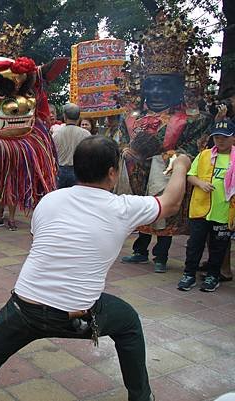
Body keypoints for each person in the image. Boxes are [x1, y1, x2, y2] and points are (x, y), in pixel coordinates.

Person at [0, 136, 191, 401]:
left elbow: (42, 241)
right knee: (128, 323)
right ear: (112, 173)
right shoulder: (123, 207)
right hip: (78, 315)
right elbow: (171, 202)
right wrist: (181, 164)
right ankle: (141, 397)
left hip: (23, 308)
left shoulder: (50, 201)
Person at [118, 13, 212, 274]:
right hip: (137, 174)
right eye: (153, 86)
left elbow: (198, 146)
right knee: (139, 210)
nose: (157, 92)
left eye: (164, 86)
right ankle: (139, 250)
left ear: (178, 87)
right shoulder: (130, 117)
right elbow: (120, 141)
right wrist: (125, 150)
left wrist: (175, 154)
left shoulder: (193, 120)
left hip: (165, 173)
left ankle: (161, 255)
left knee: (164, 211)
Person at [177, 120, 235, 292]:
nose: (220, 141)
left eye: (224, 137)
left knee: (219, 247)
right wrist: (200, 183)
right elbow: (190, 175)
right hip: (200, 209)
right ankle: (188, 274)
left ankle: (213, 276)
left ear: (233, 138)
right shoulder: (204, 155)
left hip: (223, 211)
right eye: (217, 137)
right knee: (195, 244)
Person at [52, 103, 91, 188]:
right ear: (78, 118)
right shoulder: (86, 134)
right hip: (79, 171)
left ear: (64, 117)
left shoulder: (56, 134)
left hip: (60, 171)